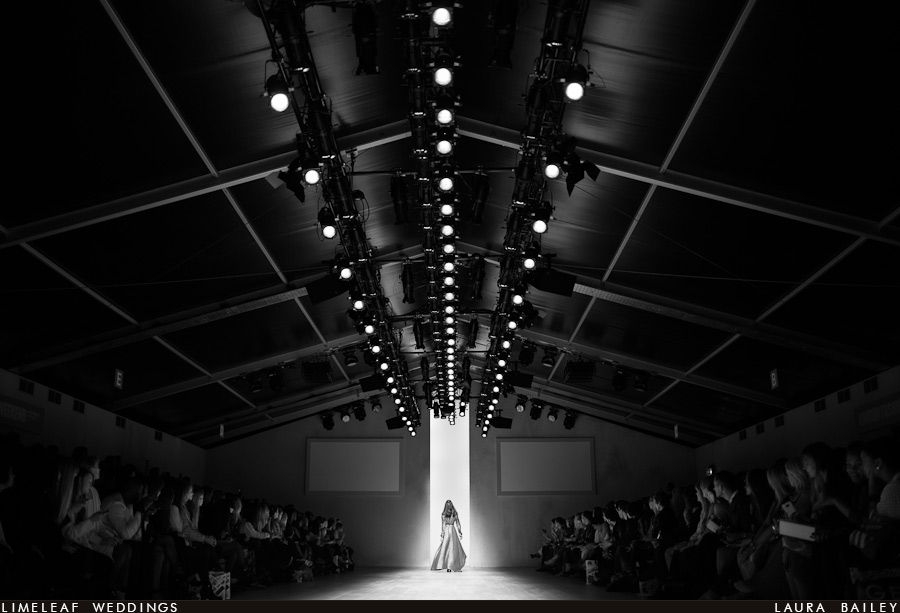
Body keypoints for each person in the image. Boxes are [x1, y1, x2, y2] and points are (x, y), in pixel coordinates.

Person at [431, 500, 466, 572]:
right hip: (452, 531)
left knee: (445, 548)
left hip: (447, 531)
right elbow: (458, 523)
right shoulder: (454, 513)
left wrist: (442, 534)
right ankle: (450, 566)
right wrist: (460, 532)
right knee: (453, 549)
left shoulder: (444, 514)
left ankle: (448, 566)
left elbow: (443, 525)